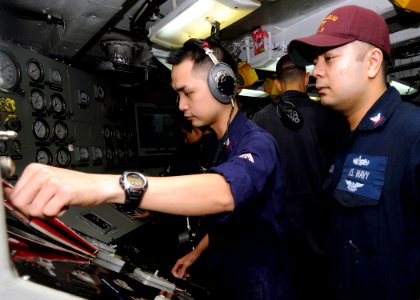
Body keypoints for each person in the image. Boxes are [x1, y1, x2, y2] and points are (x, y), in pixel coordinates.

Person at [5, 38, 293, 299]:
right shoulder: (221, 143)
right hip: (227, 272)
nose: (180, 105)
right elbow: (231, 216)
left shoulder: (258, 143)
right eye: (177, 94)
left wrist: (103, 186)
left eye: (187, 92)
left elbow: (225, 194)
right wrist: (196, 253)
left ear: (222, 85)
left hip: (259, 286)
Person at [287, 5, 420, 300]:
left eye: (329, 58)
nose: (316, 71)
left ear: (372, 63)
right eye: (315, 61)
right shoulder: (346, 139)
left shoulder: (413, 135)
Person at [252, 54, 348, 300]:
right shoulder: (330, 115)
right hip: (321, 219)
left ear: (278, 83)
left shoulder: (260, 120)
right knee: (322, 284)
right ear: (306, 78)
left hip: (278, 220)